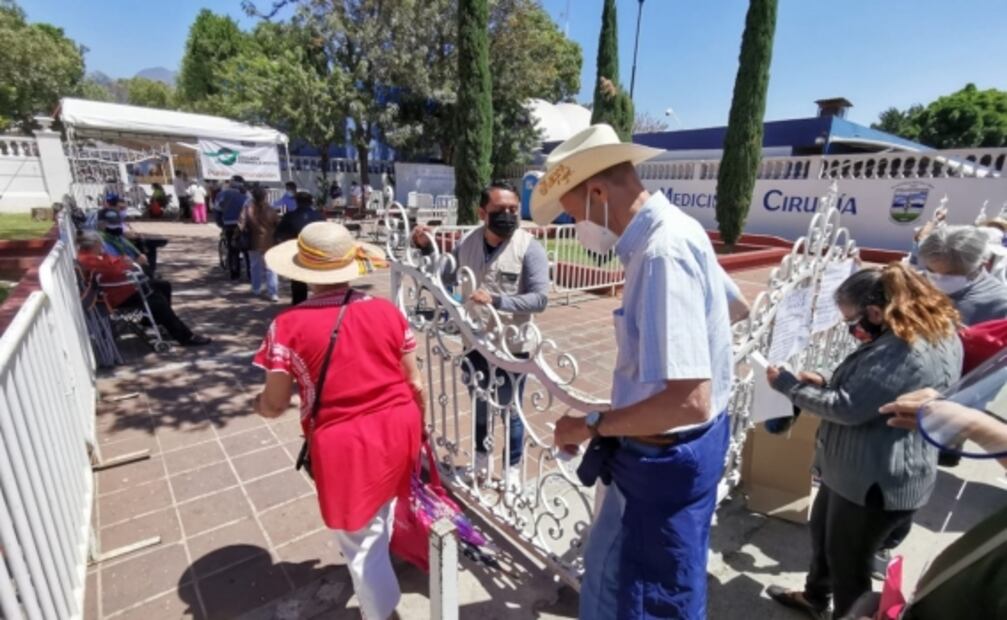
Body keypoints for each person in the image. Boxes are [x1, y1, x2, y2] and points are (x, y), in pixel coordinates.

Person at [533, 124, 733, 619]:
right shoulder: (680, 230)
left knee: (634, 596)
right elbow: (738, 305)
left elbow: (688, 401)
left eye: (576, 213)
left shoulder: (661, 252)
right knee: (654, 583)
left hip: (661, 459)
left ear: (598, 191)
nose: (579, 227)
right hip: (680, 453)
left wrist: (589, 424)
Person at [763, 264, 962, 620]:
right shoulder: (927, 331)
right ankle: (814, 596)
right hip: (854, 473)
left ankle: (846, 613)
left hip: (874, 482)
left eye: (851, 320)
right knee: (825, 537)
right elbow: (868, 383)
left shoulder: (905, 351)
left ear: (874, 311)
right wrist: (824, 378)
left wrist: (789, 387)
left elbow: (848, 408)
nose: (852, 329)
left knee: (849, 567)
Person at [251, 221, 422, 620]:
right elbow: (414, 382)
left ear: (304, 271)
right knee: (380, 516)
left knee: (360, 540)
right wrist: (421, 428)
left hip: (347, 442)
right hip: (400, 424)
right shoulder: (387, 312)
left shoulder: (286, 326)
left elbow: (274, 404)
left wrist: (258, 405)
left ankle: (381, 613)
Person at [411, 181, 549, 487]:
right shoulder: (467, 242)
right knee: (480, 406)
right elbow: (443, 275)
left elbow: (540, 299)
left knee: (510, 410)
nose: (509, 215)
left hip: (512, 346)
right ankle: (481, 461)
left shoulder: (530, 247)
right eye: (500, 210)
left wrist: (499, 300)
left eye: (514, 209)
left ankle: (512, 469)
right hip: (473, 341)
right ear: (482, 212)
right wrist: (424, 246)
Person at [77, 232, 211, 347]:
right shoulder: (88, 259)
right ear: (94, 245)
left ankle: (159, 322)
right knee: (158, 301)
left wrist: (121, 261)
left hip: (116, 290)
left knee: (163, 285)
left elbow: (111, 263)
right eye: (100, 245)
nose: (102, 247)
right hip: (114, 295)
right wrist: (125, 264)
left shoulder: (90, 256)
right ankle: (185, 337)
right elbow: (112, 270)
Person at [918, 225, 1007, 325]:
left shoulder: (999, 304)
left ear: (982, 265)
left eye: (951, 274)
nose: (938, 279)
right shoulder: (917, 284)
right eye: (931, 271)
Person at [276, 190, 323, 305]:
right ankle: (320, 301)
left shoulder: (290, 215)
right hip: (316, 250)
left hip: (297, 250)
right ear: (311, 202)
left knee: (297, 279)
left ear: (297, 202)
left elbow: (279, 234)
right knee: (318, 278)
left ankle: (299, 304)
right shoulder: (319, 215)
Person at [239, 186, 281, 301]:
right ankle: (273, 292)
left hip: (253, 241)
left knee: (255, 266)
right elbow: (277, 223)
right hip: (269, 241)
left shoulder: (248, 208)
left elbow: (241, 223)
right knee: (271, 267)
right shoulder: (271, 209)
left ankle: (256, 288)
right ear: (265, 196)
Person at [214, 175, 251, 281]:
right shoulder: (247, 194)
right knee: (246, 250)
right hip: (244, 225)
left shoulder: (222, 194)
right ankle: (250, 274)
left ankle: (234, 273)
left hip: (228, 224)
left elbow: (217, 211)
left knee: (232, 250)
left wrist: (221, 224)